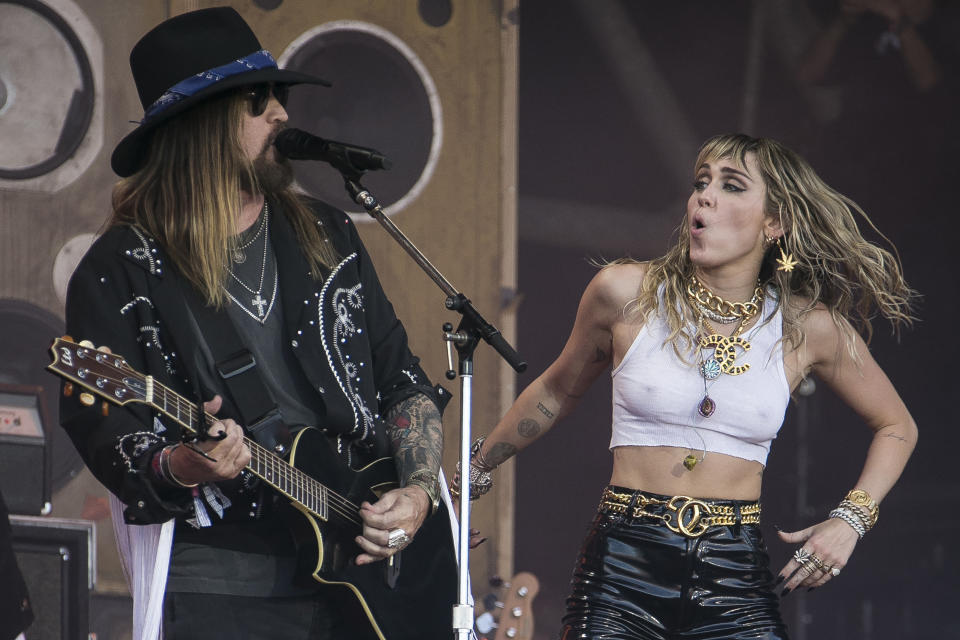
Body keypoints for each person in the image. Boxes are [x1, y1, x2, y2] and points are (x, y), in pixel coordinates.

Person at [59, 7, 455, 640]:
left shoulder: (328, 236)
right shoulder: (125, 266)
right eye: (258, 100)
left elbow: (404, 384)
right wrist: (183, 466)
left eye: (278, 95)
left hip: (359, 579)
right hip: (219, 582)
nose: (282, 113)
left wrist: (418, 493)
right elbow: (106, 432)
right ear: (203, 125)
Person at [454, 133, 918, 639]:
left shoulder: (806, 326)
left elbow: (897, 425)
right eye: (701, 182)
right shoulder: (626, 293)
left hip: (735, 571)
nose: (705, 195)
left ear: (775, 222)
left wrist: (851, 520)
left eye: (732, 185)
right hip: (624, 564)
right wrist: (471, 475)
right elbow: (558, 390)